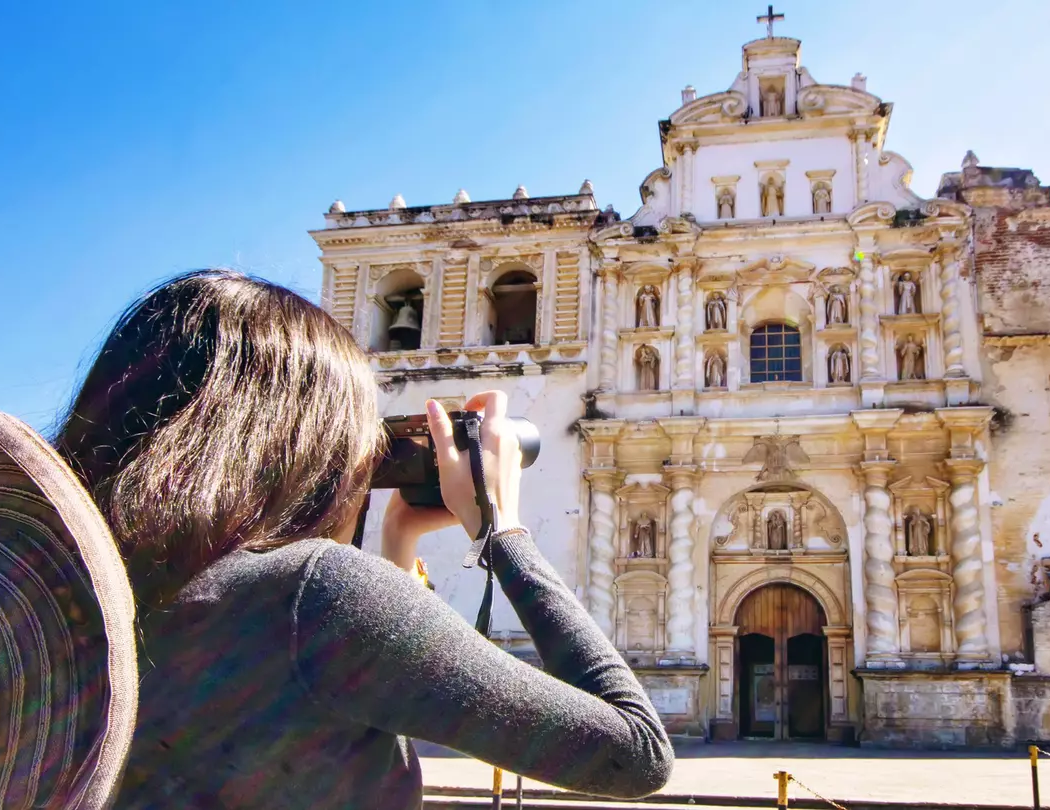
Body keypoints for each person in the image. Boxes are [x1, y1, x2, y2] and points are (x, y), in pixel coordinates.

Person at [53, 269, 673, 809]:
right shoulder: (316, 596)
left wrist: (396, 543)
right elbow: (637, 752)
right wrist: (501, 529)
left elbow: (332, 682)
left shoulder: (80, 588)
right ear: (308, 439)